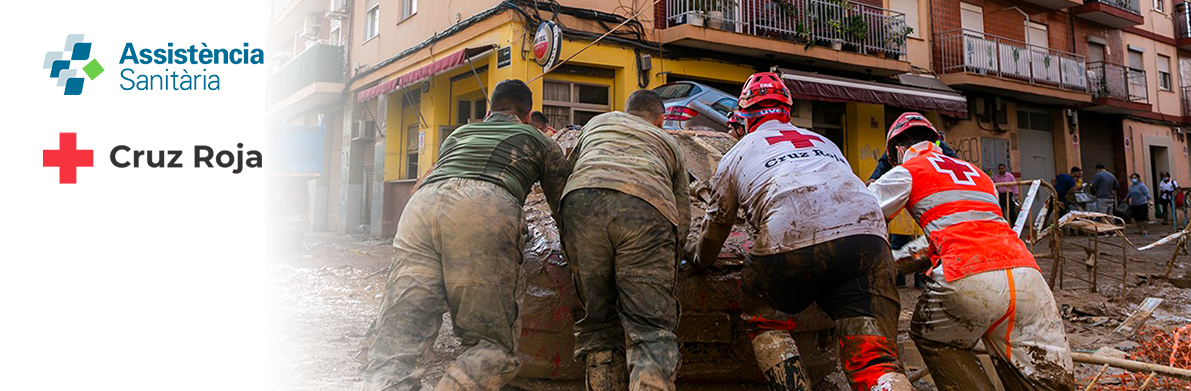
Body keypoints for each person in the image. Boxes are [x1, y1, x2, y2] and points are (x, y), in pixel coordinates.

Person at [691, 72, 912, 391]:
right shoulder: (824, 142)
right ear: (787, 111)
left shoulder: (736, 153)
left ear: (745, 115)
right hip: (868, 240)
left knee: (767, 323)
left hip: (790, 240)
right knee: (873, 358)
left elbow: (717, 224)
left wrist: (697, 259)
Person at [363, 80, 572, 391]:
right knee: (492, 347)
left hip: (420, 209)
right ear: (528, 116)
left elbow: (444, 174)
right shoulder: (538, 140)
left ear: (489, 111)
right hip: (483, 209)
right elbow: (564, 206)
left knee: (399, 341)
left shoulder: (460, 134)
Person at [868, 112, 1075, 391]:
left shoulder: (906, 170)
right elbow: (967, 230)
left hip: (967, 274)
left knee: (933, 338)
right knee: (1042, 379)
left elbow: (861, 215)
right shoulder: (978, 175)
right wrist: (902, 260)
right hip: (1027, 276)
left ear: (898, 150)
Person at [561, 89, 689, 391]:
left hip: (581, 202)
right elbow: (681, 217)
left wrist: (568, 235)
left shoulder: (598, 123)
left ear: (626, 110)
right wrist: (671, 257)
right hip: (645, 208)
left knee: (598, 324)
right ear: (661, 119)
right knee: (651, 331)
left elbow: (570, 172)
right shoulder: (668, 142)